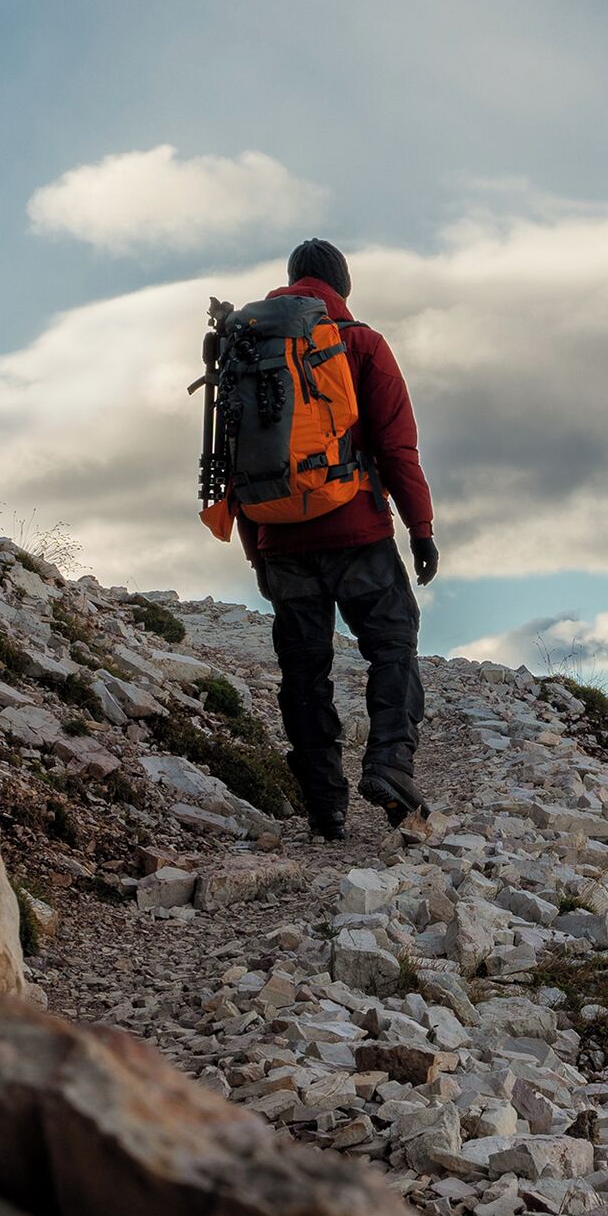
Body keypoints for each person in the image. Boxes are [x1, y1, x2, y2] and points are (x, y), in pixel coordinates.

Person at [237, 236, 436, 837]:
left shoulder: (245, 350)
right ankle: (390, 762)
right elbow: (397, 446)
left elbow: (231, 458)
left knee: (304, 670)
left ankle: (325, 803)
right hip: (356, 530)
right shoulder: (360, 343)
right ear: (343, 287)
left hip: (279, 536)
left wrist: (258, 547)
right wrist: (420, 528)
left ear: (289, 282)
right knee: (392, 643)